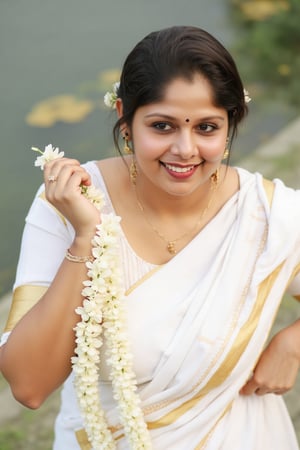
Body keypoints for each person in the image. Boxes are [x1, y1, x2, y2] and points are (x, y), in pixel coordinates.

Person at [0, 25, 299, 450]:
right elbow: (28, 386)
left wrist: (293, 343)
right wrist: (86, 238)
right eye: (162, 126)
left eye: (207, 128)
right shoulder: (69, 202)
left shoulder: (269, 215)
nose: (185, 149)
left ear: (230, 124)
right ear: (126, 117)